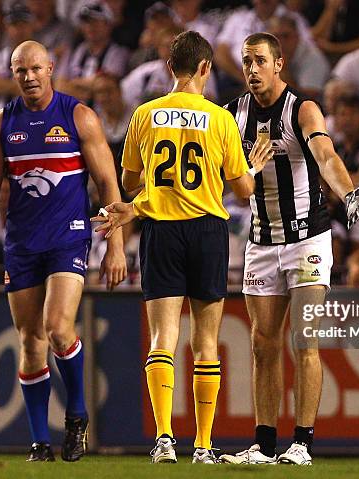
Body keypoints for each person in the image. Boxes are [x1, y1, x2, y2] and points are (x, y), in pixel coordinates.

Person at [92, 31, 273, 464]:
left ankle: (164, 440)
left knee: (162, 338)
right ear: (207, 68)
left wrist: (152, 187)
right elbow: (244, 189)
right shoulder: (220, 119)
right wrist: (255, 165)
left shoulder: (145, 114)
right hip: (208, 232)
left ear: (171, 68)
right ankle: (205, 444)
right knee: (206, 341)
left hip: (161, 231)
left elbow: (131, 182)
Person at [0, 40, 127, 462]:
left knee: (57, 328)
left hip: (69, 237)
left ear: (51, 68)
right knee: (30, 339)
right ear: (13, 74)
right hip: (21, 243)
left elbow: (110, 186)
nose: (29, 76)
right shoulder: (2, 123)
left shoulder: (79, 117)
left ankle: (76, 414)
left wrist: (116, 247)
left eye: (36, 68)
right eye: (20, 70)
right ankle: (39, 442)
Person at [218, 32, 359, 466]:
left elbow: (325, 154)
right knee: (263, 343)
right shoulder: (232, 115)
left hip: (307, 238)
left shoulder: (301, 108)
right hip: (262, 241)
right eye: (246, 62)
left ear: (279, 64)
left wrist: (348, 193)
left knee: (305, 340)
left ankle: (301, 442)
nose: (251, 69)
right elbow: (229, 177)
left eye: (259, 61)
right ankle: (264, 446)